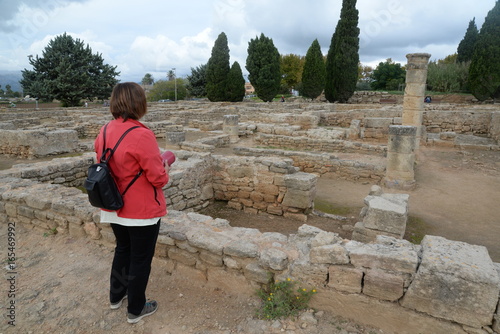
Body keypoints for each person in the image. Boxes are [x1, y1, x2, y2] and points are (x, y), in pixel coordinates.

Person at [94, 82, 169, 324]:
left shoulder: (104, 130)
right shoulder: (142, 134)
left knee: (123, 250)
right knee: (140, 258)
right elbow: (158, 178)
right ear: (139, 103)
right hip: (140, 210)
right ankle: (136, 308)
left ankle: (116, 295)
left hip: (113, 206)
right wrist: (165, 167)